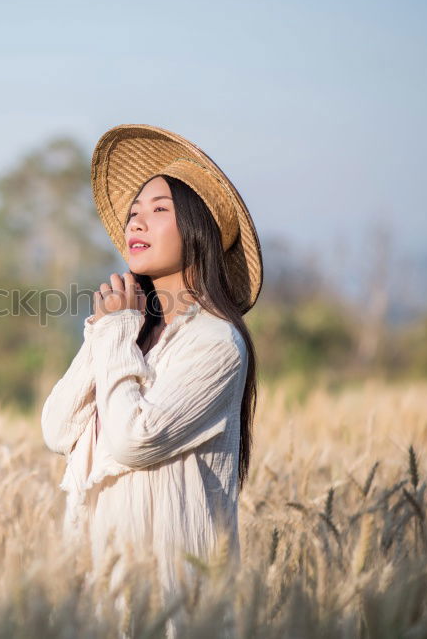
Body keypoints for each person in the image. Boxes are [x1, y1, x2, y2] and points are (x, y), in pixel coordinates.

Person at [40, 124, 264, 638]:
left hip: (174, 601)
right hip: (105, 590)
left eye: (159, 209)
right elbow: (57, 429)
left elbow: (134, 440)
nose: (136, 219)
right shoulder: (131, 333)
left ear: (199, 230)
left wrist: (117, 331)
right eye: (134, 210)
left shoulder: (216, 343)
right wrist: (106, 330)